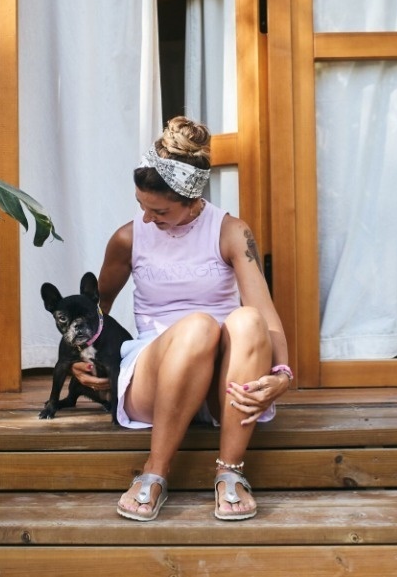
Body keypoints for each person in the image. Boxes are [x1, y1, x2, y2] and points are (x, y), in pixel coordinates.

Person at [73, 116, 291, 522]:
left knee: (245, 320)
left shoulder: (230, 232)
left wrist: (281, 374)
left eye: (159, 210)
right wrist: (91, 363)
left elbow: (267, 316)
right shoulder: (127, 238)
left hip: (221, 388)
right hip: (153, 378)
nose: (148, 218)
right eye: (141, 205)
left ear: (192, 200)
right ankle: (154, 472)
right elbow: (91, 311)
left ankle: (230, 473)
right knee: (198, 326)